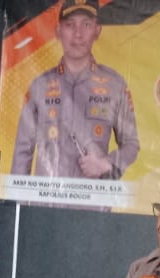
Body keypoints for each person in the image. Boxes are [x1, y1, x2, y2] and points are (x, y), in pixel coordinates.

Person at [9, 0, 140, 180]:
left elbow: (131, 144)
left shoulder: (115, 85)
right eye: (70, 25)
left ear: (97, 31)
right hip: (47, 195)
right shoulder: (39, 86)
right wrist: (18, 195)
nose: (78, 34)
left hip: (93, 195)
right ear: (58, 32)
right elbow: (22, 151)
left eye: (86, 24)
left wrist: (107, 163)